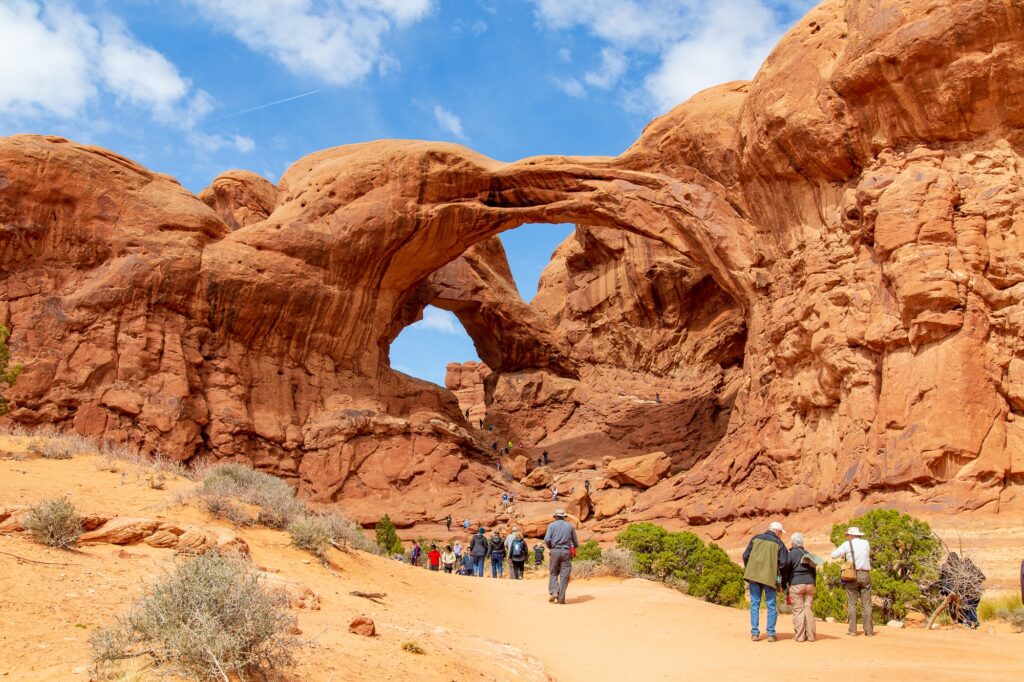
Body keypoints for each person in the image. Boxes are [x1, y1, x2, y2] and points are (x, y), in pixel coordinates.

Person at [742, 521, 789, 642]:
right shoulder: (779, 543)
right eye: (781, 533)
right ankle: (771, 634)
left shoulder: (755, 538)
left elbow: (745, 555)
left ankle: (755, 633)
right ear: (777, 532)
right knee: (771, 605)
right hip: (770, 578)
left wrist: (750, 568)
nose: (781, 535)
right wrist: (780, 577)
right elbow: (784, 563)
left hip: (754, 577)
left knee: (754, 604)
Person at [830, 525, 872, 637]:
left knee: (852, 604)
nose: (847, 537)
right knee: (866, 604)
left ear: (852, 535)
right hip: (865, 574)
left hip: (851, 575)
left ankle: (853, 630)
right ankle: (868, 631)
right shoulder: (866, 543)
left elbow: (833, 555)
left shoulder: (847, 544)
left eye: (848, 535)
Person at [782, 532, 817, 642]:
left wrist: (784, 584)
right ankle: (811, 636)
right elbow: (814, 571)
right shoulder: (808, 554)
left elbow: (785, 570)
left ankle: (800, 636)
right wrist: (813, 583)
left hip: (796, 584)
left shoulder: (790, 554)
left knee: (798, 610)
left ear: (792, 543)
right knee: (808, 609)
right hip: (809, 584)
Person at [544, 509, 579, 604]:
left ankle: (554, 591)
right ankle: (561, 599)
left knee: (553, 573)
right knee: (564, 576)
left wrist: (551, 547)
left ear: (555, 517)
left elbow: (547, 539)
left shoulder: (551, 525)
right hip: (566, 552)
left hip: (555, 551)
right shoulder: (570, 526)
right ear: (563, 517)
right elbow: (575, 542)